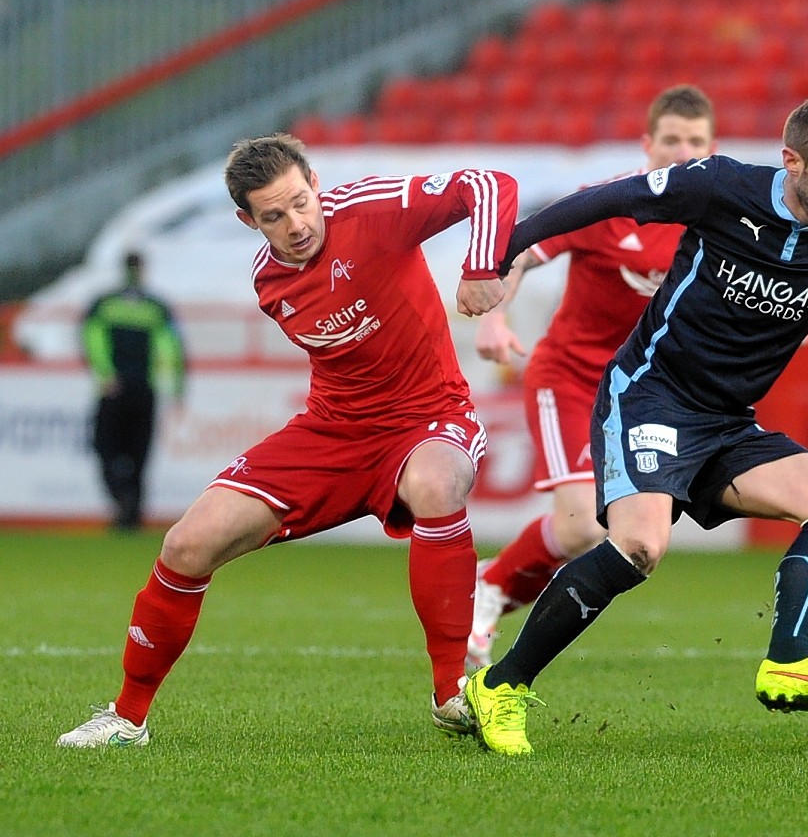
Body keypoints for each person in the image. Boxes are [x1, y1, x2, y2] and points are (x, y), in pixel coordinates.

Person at [464, 94, 808, 755]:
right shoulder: (720, 186)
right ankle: (503, 685)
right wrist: (501, 253)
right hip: (650, 397)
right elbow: (603, 200)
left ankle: (791, 660)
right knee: (640, 548)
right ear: (792, 162)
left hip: (726, 423)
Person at [57, 133, 518, 747]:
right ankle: (126, 719)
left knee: (436, 482)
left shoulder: (373, 210)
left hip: (428, 415)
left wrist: (480, 266)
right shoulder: (269, 282)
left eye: (302, 202)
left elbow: (486, 186)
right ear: (248, 220)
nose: (296, 223)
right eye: (273, 215)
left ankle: (450, 693)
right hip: (332, 432)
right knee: (186, 544)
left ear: (314, 183)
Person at [468, 85, 716, 670]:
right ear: (647, 144)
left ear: (712, 147)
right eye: (673, 140)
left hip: (650, 398)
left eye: (696, 142)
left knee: (625, 537)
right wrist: (496, 316)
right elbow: (521, 252)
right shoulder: (609, 203)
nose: (683, 152)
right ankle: (494, 584)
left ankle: (497, 583)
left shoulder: (719, 222)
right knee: (582, 526)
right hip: (572, 379)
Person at [80, 251, 187, 532]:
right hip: (144, 388)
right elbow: (173, 348)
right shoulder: (156, 306)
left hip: (114, 389)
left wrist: (105, 374)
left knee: (106, 447)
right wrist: (176, 387)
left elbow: (91, 340)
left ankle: (123, 502)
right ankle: (132, 512)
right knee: (139, 453)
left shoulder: (104, 304)